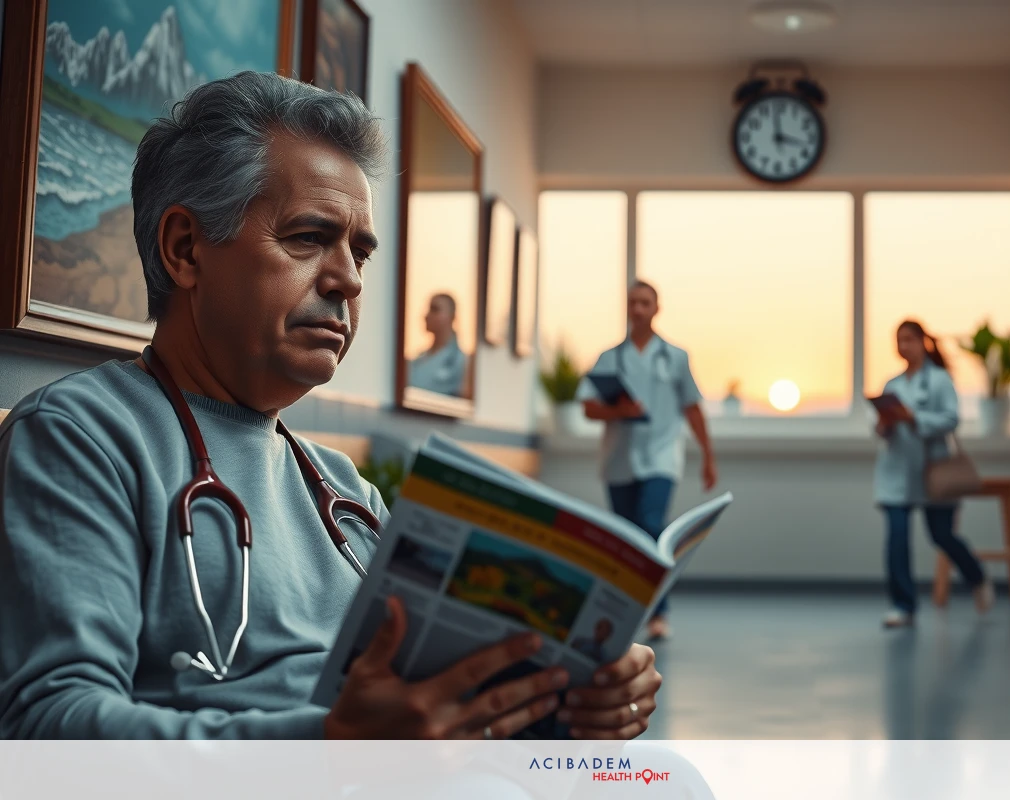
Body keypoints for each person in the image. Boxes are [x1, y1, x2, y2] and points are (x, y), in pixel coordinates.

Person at [0, 72, 661, 740]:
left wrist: (574, 697)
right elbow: (48, 728)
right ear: (185, 249)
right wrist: (329, 749)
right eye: (309, 238)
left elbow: (432, 711)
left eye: (360, 252)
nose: (347, 279)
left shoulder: (348, 495)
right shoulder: (79, 439)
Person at [578, 280, 717, 642]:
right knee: (626, 536)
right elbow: (588, 408)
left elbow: (692, 408)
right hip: (619, 459)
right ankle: (624, 612)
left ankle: (659, 612)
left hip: (661, 456)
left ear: (657, 308)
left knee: (651, 525)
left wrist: (708, 456)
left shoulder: (675, 357)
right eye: (632, 303)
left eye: (645, 303)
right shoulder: (609, 358)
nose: (637, 309)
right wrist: (617, 410)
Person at [872, 319, 994, 629]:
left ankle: (977, 576)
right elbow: (886, 431)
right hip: (897, 473)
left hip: (933, 473)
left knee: (942, 536)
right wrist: (884, 426)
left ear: (924, 342)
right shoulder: (893, 385)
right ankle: (903, 605)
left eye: (910, 339)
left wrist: (915, 418)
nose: (904, 346)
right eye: (899, 340)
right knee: (897, 540)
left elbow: (951, 420)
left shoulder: (940, 381)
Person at [408, 293, 469, 397]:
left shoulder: (462, 362)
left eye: (435, 309)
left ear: (452, 317)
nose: (426, 315)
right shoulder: (417, 360)